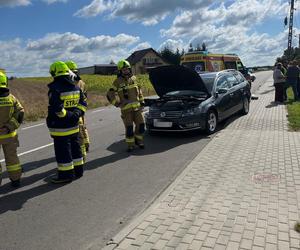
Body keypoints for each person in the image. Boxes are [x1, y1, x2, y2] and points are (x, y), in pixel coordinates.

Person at [47, 61, 87, 183]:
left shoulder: (55, 89)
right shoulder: (75, 87)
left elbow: (57, 108)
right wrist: (76, 114)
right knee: (76, 147)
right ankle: (79, 171)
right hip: (74, 125)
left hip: (60, 127)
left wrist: (67, 115)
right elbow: (83, 104)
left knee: (62, 151)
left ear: (54, 73)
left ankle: (65, 175)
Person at [106, 59, 145, 152]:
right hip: (126, 110)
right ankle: (130, 145)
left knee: (141, 126)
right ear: (120, 71)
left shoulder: (134, 79)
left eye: (127, 69)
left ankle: (139, 141)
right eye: (124, 70)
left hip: (137, 108)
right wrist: (117, 104)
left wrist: (142, 102)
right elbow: (109, 94)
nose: (126, 71)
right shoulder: (117, 81)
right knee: (129, 128)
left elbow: (139, 91)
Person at [0, 71, 24, 187]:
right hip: (9, 135)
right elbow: (20, 113)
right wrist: (9, 127)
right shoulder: (11, 98)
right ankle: (16, 180)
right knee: (12, 159)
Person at [65, 61, 90, 161]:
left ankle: (82, 151)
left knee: (79, 131)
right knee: (82, 128)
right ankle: (86, 143)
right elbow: (85, 97)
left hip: (74, 111)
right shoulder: (81, 82)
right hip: (80, 109)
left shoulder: (71, 83)